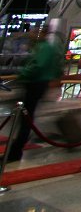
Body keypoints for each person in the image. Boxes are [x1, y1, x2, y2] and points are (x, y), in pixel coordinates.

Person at [6, 30, 64, 162]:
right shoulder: (46, 47)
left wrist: (23, 75)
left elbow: (37, 66)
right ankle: (19, 144)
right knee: (26, 116)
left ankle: (16, 151)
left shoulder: (44, 48)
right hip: (38, 84)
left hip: (35, 84)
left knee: (26, 117)